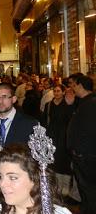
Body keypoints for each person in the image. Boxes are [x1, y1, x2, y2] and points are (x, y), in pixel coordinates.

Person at [0, 144, 71, 214]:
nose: (2, 184)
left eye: (13, 178)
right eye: (1, 176)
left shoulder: (60, 212)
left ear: (35, 179)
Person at [0, 82, 37, 175]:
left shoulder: (29, 124)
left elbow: (35, 158)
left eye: (5, 97)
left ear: (14, 99)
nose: (0, 101)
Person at [67, 74, 96, 213]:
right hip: (82, 155)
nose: (72, 88)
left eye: (74, 85)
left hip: (86, 156)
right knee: (85, 190)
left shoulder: (90, 104)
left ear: (80, 85)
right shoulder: (84, 102)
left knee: (89, 189)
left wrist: (80, 152)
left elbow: (89, 131)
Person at [43, 85, 75, 197]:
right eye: (55, 91)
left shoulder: (67, 105)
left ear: (63, 92)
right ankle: (56, 185)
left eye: (58, 91)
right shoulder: (49, 105)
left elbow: (71, 118)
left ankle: (65, 186)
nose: (56, 93)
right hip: (52, 134)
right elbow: (44, 120)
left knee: (64, 159)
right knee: (53, 159)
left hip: (64, 135)